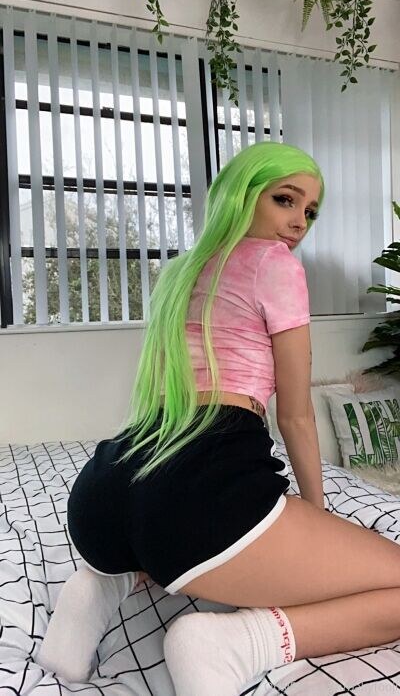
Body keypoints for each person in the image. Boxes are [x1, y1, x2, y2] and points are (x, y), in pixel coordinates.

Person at [35, 141, 400, 696]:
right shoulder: (275, 265)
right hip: (204, 488)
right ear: (241, 195)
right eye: (285, 200)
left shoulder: (178, 272)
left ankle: (102, 584)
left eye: (310, 212)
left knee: (163, 524)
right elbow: (295, 414)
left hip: (107, 486)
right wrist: (316, 513)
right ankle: (236, 642)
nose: (299, 223)